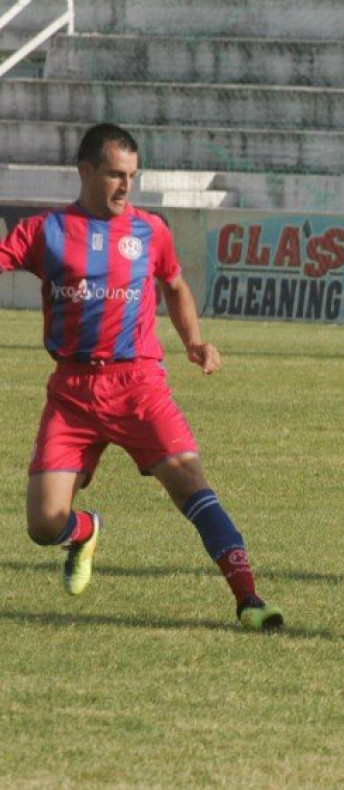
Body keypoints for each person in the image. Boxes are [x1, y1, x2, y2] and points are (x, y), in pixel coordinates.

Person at [0, 123, 283, 629]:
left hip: (138, 385)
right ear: (85, 172)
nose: (126, 185)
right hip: (72, 391)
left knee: (189, 483)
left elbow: (174, 285)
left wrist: (194, 341)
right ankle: (84, 530)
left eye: (132, 174)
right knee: (44, 526)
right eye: (114, 174)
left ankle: (250, 599)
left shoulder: (149, 230)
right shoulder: (46, 231)